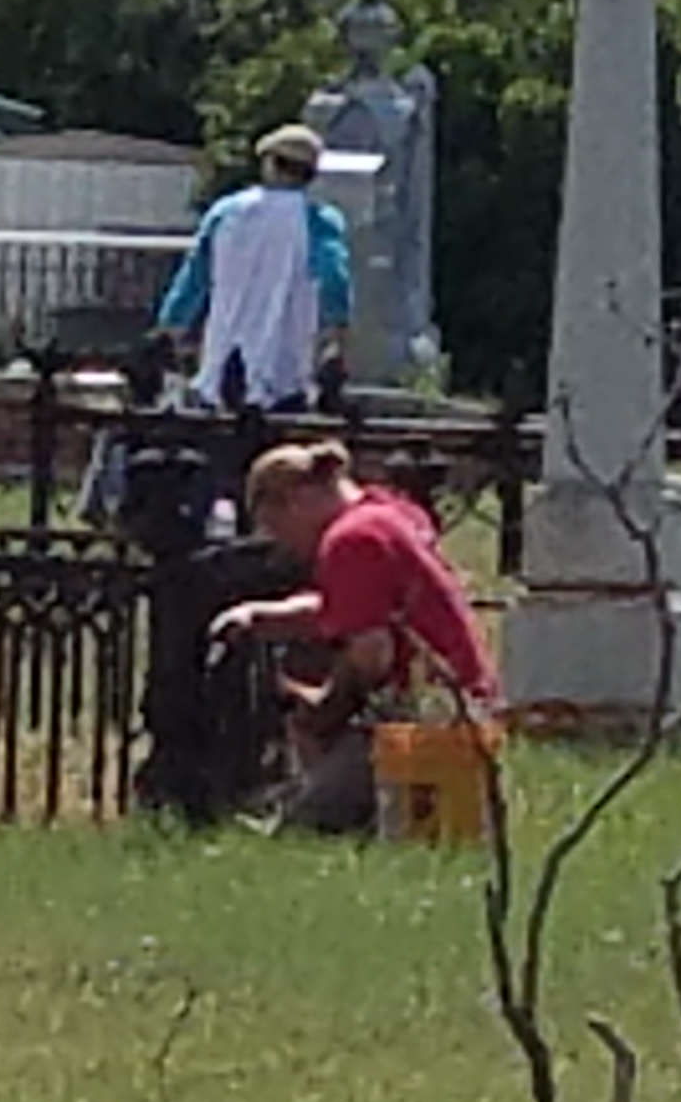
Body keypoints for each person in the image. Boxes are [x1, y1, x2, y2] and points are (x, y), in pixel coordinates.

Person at [209, 441, 498, 833]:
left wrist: (323, 709)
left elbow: (370, 654)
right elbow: (352, 605)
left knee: (304, 833)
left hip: (426, 720)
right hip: (466, 708)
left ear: (296, 500)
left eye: (278, 529)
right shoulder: (385, 515)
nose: (286, 546)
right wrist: (263, 616)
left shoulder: (351, 541)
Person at [153, 123, 354, 412]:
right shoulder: (318, 221)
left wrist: (170, 327)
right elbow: (335, 280)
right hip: (286, 368)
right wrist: (337, 336)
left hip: (221, 360)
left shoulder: (226, 212)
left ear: (269, 164)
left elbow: (193, 279)